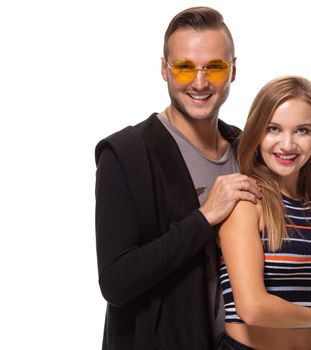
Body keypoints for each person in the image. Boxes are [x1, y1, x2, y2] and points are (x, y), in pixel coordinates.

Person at [94, 7, 261, 350]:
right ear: (163, 70)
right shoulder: (126, 154)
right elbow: (116, 281)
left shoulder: (248, 150)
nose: (199, 83)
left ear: (233, 71)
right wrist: (205, 218)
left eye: (214, 67)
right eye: (184, 67)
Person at [217, 76, 311, 350]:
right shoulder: (246, 203)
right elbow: (252, 308)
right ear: (257, 132)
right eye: (273, 129)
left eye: (302, 131)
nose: (287, 144)